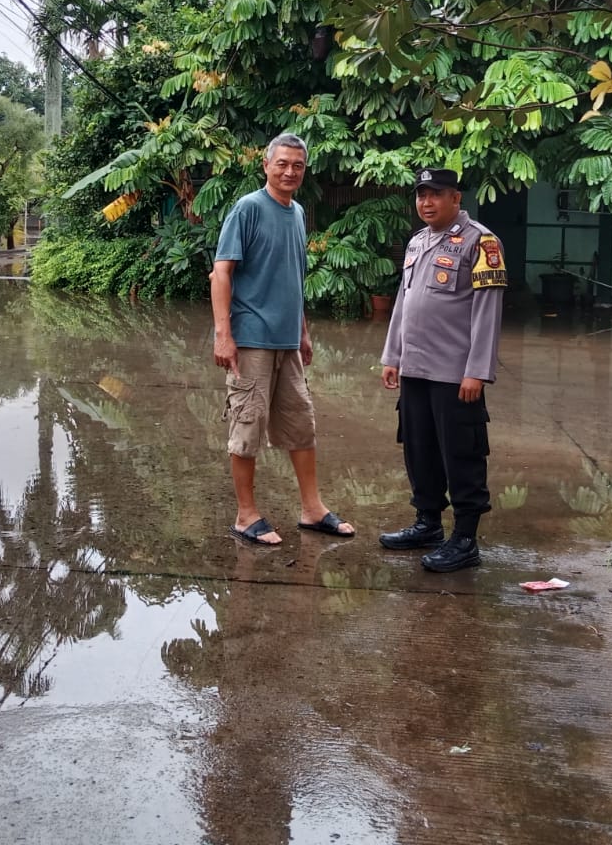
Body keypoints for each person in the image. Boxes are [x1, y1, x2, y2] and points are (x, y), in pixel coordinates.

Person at [212, 132, 354, 546]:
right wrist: (224, 335)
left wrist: (302, 332)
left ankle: (312, 509)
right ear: (266, 165)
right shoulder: (248, 208)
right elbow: (221, 273)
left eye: (298, 166)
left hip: (287, 342)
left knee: (301, 425)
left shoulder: (297, 213)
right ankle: (246, 516)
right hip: (251, 339)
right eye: (283, 164)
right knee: (247, 427)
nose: (290, 171)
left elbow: (292, 278)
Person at [379, 167, 506, 572]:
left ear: (455, 198)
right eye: (421, 195)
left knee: (462, 453)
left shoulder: (481, 242)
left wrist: (477, 371)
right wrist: (393, 355)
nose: (427, 202)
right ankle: (427, 523)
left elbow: (488, 310)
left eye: (436, 194)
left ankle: (465, 539)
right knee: (419, 448)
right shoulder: (417, 241)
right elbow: (404, 300)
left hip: (455, 374)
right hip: (415, 368)